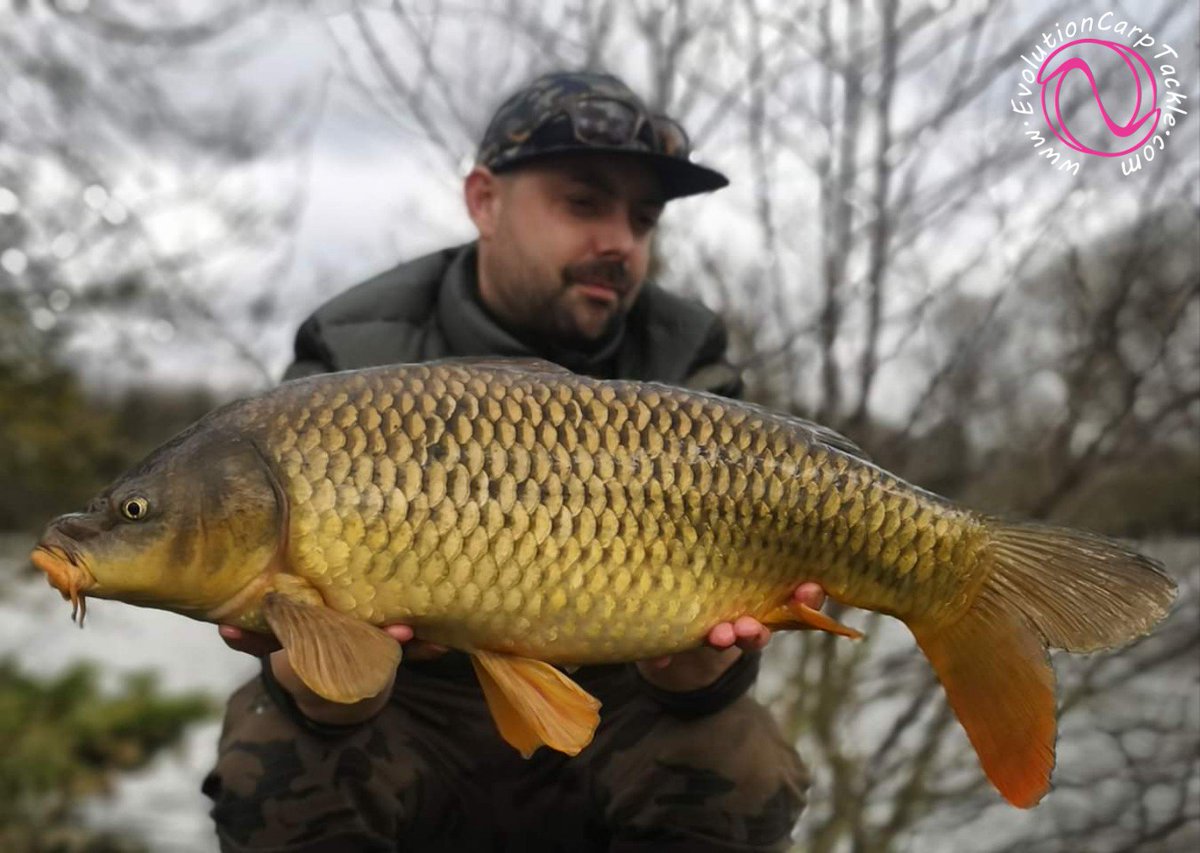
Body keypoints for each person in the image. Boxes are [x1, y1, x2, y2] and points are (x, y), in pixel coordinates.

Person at [203, 70, 825, 852]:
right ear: (484, 200)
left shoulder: (685, 355)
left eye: (643, 217)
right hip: (412, 703)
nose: (620, 244)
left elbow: (724, 658)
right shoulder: (352, 351)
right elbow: (302, 650)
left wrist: (698, 675)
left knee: (744, 761)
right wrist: (326, 686)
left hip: (619, 694)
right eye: (584, 203)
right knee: (277, 757)